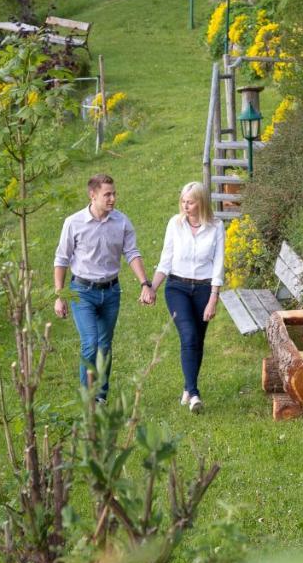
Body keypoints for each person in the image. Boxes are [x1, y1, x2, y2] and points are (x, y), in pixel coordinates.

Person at [53, 173, 153, 402]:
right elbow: (61, 260)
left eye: (114, 194)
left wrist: (145, 284)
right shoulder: (73, 223)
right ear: (93, 195)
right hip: (82, 292)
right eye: (107, 194)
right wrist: (59, 296)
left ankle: (101, 397)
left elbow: (132, 253)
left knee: (104, 346)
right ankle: (88, 399)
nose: (112, 199)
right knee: (90, 344)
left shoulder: (121, 222)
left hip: (111, 292)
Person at [149, 182, 225, 413]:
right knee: (189, 335)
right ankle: (193, 394)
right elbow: (165, 260)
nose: (185, 205)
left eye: (190, 202)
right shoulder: (175, 223)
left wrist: (213, 299)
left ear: (201, 202)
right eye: (183, 201)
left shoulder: (216, 226)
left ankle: (187, 386)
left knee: (197, 341)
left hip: (203, 290)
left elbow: (219, 265)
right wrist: (151, 287)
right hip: (177, 287)